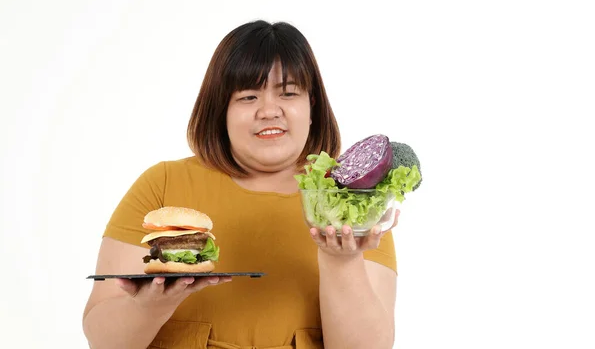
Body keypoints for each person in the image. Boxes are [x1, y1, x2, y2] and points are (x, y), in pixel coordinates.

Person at [82, 20, 398, 349]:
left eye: (288, 93)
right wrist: (150, 304)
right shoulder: (162, 185)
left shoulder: (351, 199)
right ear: (222, 110)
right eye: (248, 96)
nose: (269, 110)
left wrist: (342, 261)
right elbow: (103, 340)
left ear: (312, 105)